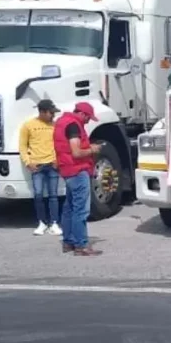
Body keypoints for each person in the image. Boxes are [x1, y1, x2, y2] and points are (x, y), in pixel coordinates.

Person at [53, 102, 103, 256]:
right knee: (81, 210)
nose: (88, 121)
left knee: (69, 207)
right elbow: (76, 152)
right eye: (88, 117)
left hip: (67, 170)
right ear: (82, 113)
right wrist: (92, 149)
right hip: (77, 170)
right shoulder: (74, 126)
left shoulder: (62, 122)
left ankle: (68, 242)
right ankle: (81, 245)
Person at [20, 99, 62, 237]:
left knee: (53, 195)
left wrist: (58, 159)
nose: (53, 115)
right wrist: (27, 162)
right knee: (38, 195)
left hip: (52, 164)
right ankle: (42, 222)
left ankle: (54, 223)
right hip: (37, 165)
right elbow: (23, 146)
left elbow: (60, 144)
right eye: (51, 113)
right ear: (42, 112)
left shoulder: (55, 126)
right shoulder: (28, 125)